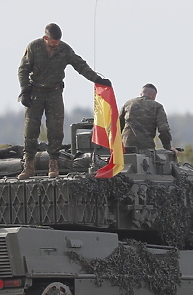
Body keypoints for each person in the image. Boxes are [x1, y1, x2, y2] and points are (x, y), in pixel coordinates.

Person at [17, 23, 111, 179]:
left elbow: (80, 65)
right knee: (31, 130)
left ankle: (53, 164)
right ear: (45, 38)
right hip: (35, 93)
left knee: (56, 129)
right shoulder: (34, 47)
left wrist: (97, 79)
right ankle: (29, 166)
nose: (55, 46)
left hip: (54, 93)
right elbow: (23, 69)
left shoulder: (64, 49)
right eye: (53, 43)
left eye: (57, 43)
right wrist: (24, 90)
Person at [119, 83, 176, 155]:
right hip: (146, 149)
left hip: (125, 147)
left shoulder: (128, 104)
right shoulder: (157, 106)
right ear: (154, 96)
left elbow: (118, 126)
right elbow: (163, 129)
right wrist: (168, 147)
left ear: (141, 94)